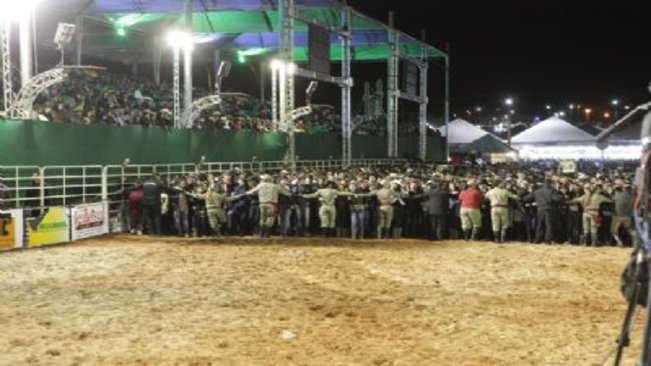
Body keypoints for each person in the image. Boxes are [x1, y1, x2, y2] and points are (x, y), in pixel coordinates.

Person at [525, 179, 561, 244]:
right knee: (548, 225)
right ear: (550, 184)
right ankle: (547, 240)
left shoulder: (537, 191)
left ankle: (538, 239)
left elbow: (526, 198)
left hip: (540, 209)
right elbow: (557, 199)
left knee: (540, 224)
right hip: (549, 209)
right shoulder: (551, 191)